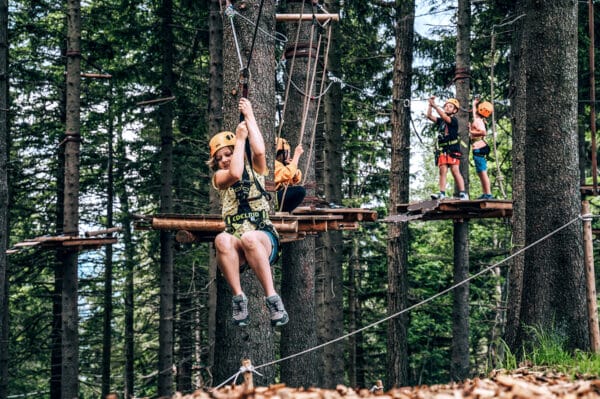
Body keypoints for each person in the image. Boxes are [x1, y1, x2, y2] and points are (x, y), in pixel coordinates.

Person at [207, 97, 288, 327]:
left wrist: (250, 115)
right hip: (237, 242)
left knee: (250, 237)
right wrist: (239, 139)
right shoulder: (220, 177)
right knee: (222, 239)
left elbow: (260, 151)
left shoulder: (256, 169)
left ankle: (272, 298)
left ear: (238, 152)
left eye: (228, 154)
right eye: (219, 157)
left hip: (262, 237)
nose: (224, 160)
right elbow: (234, 173)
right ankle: (238, 298)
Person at [427, 95, 468, 200]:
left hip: (453, 149)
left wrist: (435, 106)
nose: (447, 108)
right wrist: (430, 104)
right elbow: (429, 116)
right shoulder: (441, 121)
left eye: (450, 107)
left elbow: (445, 117)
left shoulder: (454, 120)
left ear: (455, 110)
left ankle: (463, 193)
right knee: (442, 171)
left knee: (455, 171)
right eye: (446, 106)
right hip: (443, 150)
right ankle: (442, 193)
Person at [469, 98, 494, 199]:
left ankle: (488, 194)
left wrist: (471, 132)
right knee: (480, 172)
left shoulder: (479, 121)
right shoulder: (478, 119)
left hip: (479, 148)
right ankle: (486, 193)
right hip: (479, 148)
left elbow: (483, 132)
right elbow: (475, 114)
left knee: (482, 172)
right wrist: (474, 104)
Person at [274, 137, 306, 212]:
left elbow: (296, 179)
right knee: (299, 191)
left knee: (298, 190)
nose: (288, 155)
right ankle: (281, 210)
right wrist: (296, 155)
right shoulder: (274, 164)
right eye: (286, 152)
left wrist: (292, 165)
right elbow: (288, 174)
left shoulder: (281, 165)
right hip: (272, 197)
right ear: (280, 153)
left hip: (276, 196)